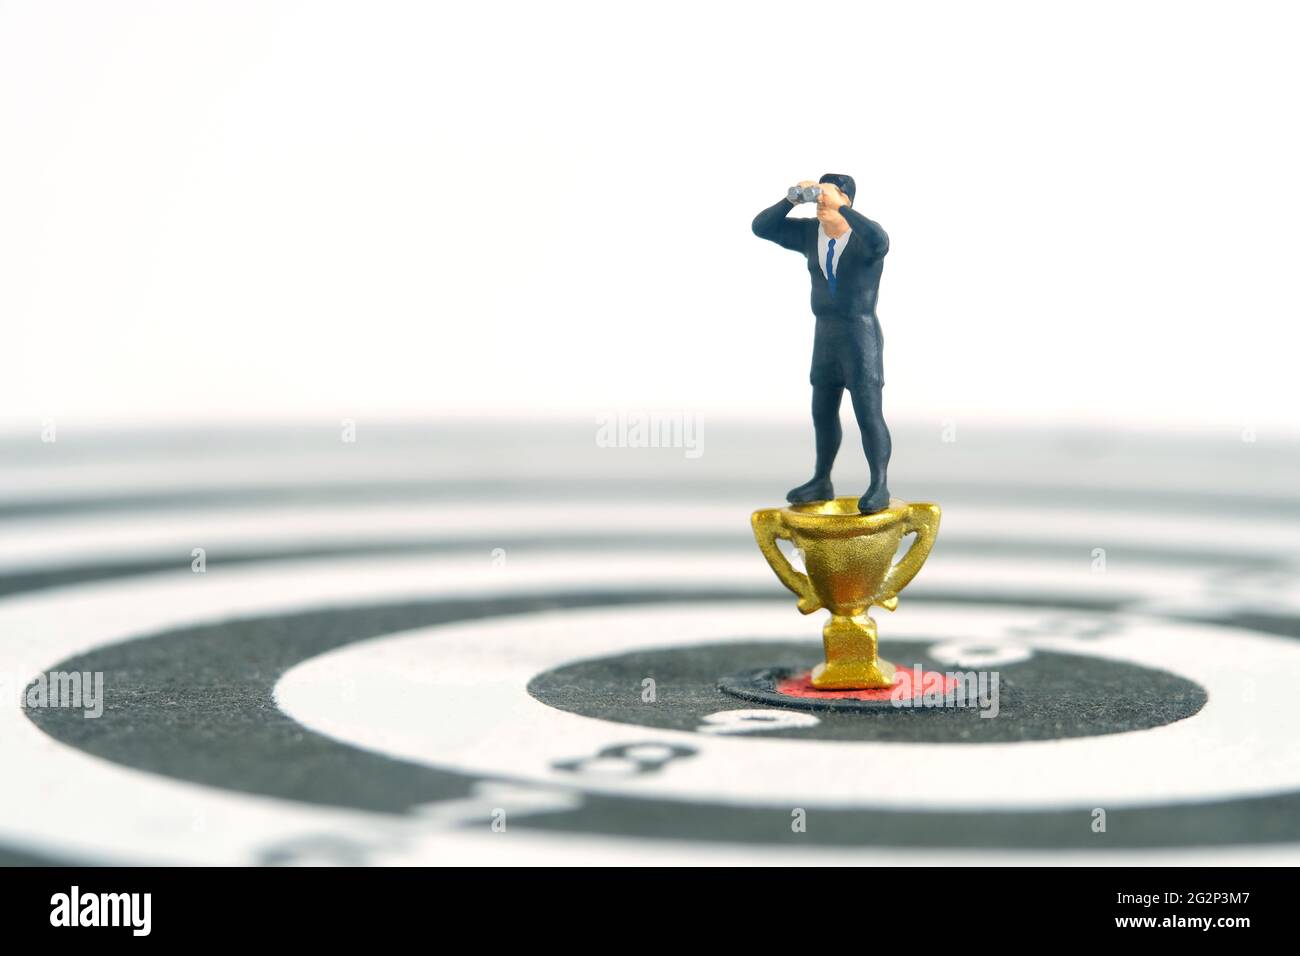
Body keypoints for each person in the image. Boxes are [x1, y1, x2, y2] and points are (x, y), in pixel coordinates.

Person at [752, 173, 893, 513]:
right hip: (826, 336)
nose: (822, 205)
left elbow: (881, 240)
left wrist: (845, 209)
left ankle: (879, 484)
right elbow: (762, 227)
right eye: (820, 199)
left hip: (859, 337)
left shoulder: (863, 239)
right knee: (822, 411)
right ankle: (821, 478)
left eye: (828, 198)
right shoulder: (808, 235)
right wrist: (792, 199)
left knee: (868, 412)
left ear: (845, 200)